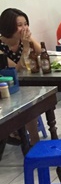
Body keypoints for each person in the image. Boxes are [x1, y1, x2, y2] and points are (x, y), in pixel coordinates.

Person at [0, 8, 42, 147]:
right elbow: (14, 71)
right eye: (19, 25)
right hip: (6, 85)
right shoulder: (2, 46)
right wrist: (25, 48)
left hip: (24, 83)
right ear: (8, 26)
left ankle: (33, 138)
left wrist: (28, 41)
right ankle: (17, 132)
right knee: (28, 100)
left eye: (25, 24)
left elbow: (40, 51)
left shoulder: (23, 38)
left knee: (33, 97)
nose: (24, 28)